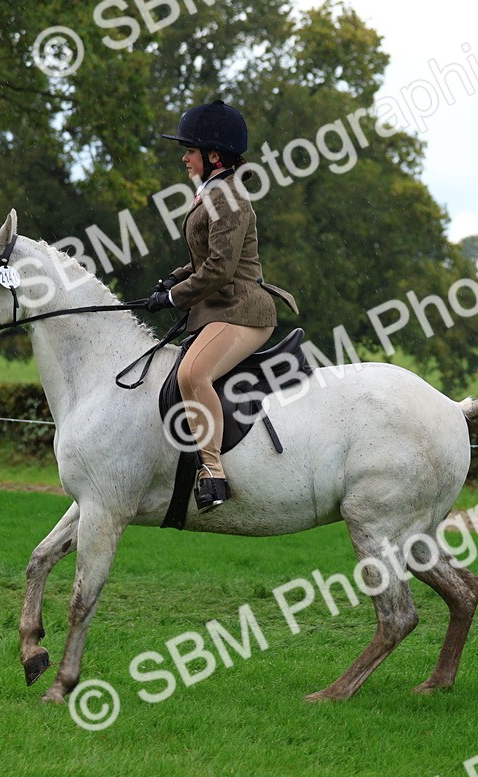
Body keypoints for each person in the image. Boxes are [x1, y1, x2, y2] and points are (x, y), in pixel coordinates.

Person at [146, 99, 298, 513]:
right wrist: (173, 280)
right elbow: (204, 259)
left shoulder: (228, 197)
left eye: (189, 151)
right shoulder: (212, 193)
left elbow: (218, 269)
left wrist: (176, 297)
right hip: (220, 308)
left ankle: (212, 472)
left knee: (194, 372)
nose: (184, 158)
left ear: (213, 156)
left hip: (244, 309)